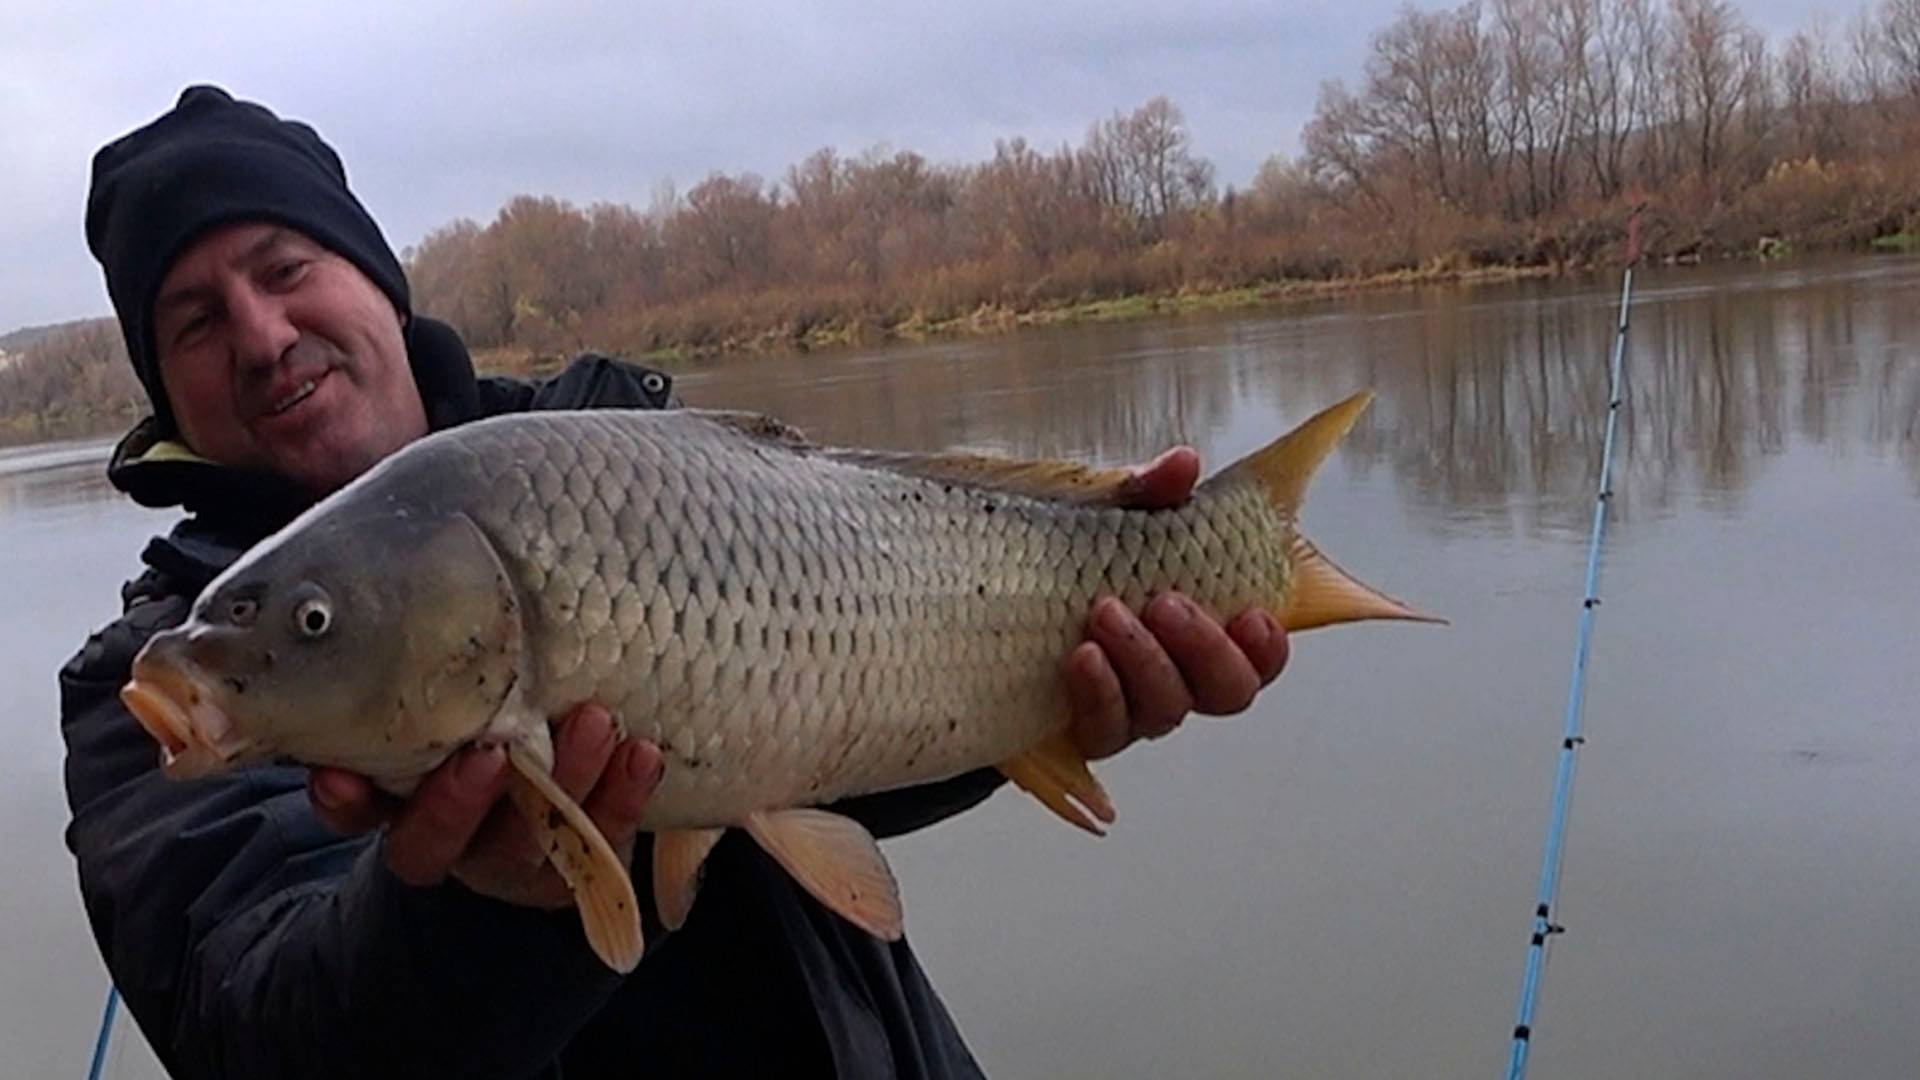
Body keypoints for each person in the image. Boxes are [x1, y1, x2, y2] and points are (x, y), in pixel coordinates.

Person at [61, 85, 1290, 1079]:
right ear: (167, 396)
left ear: (376, 281)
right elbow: (258, 1031)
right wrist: (482, 912)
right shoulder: (157, 688)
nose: (263, 336)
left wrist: (1061, 688)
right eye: (195, 323)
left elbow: (837, 710)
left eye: (284, 270)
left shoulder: (618, 454)